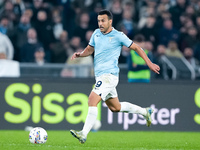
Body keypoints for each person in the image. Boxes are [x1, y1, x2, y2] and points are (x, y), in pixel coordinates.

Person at [70, 10, 160, 144]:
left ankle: (83, 133)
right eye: (99, 21)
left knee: (92, 100)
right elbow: (90, 49)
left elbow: (137, 48)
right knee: (115, 107)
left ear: (110, 21)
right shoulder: (96, 33)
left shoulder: (118, 35)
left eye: (103, 21)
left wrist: (149, 63)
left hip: (109, 76)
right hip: (100, 76)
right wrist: (80, 54)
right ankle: (145, 112)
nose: (100, 23)